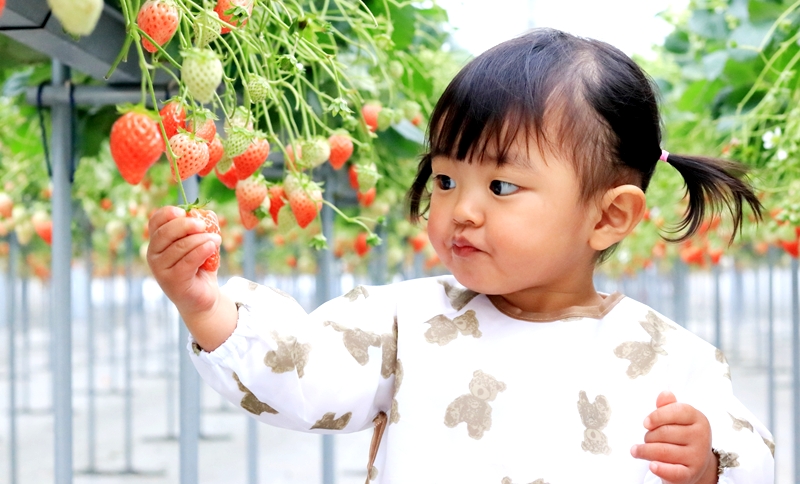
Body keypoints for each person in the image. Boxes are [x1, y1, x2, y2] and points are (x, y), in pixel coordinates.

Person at [147, 28, 775, 483]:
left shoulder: (667, 357)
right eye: (446, 179)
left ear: (608, 216)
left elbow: (757, 457)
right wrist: (208, 307)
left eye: (502, 187)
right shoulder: (402, 322)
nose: (461, 210)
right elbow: (300, 373)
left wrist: (710, 465)